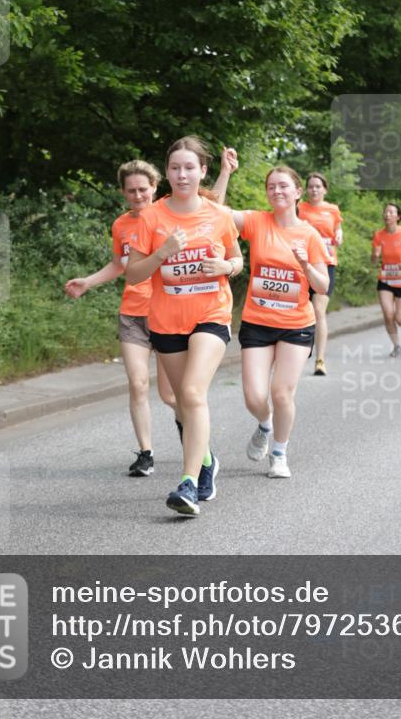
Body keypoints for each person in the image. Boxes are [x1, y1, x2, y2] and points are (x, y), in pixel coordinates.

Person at [64, 151, 237, 477]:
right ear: (124, 194)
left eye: (143, 189)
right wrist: (88, 281)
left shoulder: (176, 214)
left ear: (155, 186)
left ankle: (196, 441)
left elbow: (213, 217)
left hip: (175, 311)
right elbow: (121, 265)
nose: (138, 196)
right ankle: (146, 452)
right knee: (139, 382)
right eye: (131, 191)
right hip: (134, 311)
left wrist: (226, 171)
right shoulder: (123, 225)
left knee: (177, 394)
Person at [126, 136, 243, 516]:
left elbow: (237, 259)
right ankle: (207, 459)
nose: (182, 174)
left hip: (211, 314)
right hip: (166, 321)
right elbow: (133, 275)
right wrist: (163, 253)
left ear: (203, 171)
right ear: (167, 173)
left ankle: (188, 483)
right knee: (178, 403)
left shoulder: (218, 215)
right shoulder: (152, 217)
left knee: (193, 393)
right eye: (175, 168)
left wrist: (226, 267)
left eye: (190, 167)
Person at [231, 166, 329, 479]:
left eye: (284, 186)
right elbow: (215, 212)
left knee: (281, 392)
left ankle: (279, 453)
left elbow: (324, 285)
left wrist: (304, 265)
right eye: (271, 186)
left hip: (296, 323)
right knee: (254, 397)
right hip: (257, 322)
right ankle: (264, 424)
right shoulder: (257, 222)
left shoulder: (310, 235)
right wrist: (224, 172)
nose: (277, 191)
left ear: (298, 192)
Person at [298, 173, 342, 376]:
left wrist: (339, 234)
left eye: (318, 186)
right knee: (300, 308)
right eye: (311, 186)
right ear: (306, 190)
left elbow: (338, 229)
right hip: (302, 264)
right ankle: (299, 350)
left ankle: (320, 360)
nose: (314, 190)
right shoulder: (300, 208)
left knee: (318, 310)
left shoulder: (332, 210)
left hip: (326, 264)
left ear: (325, 189)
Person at [371, 203, 401, 357]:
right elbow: (373, 261)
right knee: (388, 315)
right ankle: (396, 346)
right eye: (386, 212)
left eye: (391, 212)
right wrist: (375, 255)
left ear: (398, 217)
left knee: (400, 318)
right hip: (385, 279)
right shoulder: (379, 235)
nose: (387, 214)